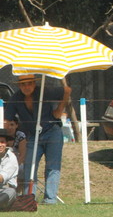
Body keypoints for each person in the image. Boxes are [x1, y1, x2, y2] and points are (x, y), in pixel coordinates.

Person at [7, 75, 71, 204]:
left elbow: (67, 90)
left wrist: (59, 109)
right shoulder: (15, 98)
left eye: (29, 83)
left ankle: (50, 199)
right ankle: (29, 198)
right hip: (31, 135)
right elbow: (7, 119)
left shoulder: (45, 91)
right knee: (29, 166)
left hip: (52, 130)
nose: (27, 87)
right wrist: (7, 137)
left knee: (52, 166)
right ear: (19, 86)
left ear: (34, 84)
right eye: (23, 84)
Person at [3, 115, 27, 194]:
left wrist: (15, 166)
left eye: (12, 124)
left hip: (16, 161)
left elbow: (22, 154)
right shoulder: (2, 134)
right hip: (3, 161)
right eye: (7, 124)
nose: (9, 127)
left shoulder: (20, 136)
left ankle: (17, 193)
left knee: (21, 169)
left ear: (17, 125)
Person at [0, 130, 18, 211]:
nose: (0, 145)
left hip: (6, 189)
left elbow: (1, 178)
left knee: (9, 193)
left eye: (2, 142)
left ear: (6, 143)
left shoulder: (11, 158)